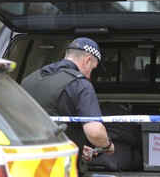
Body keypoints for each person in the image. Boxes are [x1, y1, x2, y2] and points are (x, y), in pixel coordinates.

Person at [21, 37, 115, 166]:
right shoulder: (81, 84)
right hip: (59, 166)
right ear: (87, 61)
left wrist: (77, 146)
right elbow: (95, 132)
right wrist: (107, 145)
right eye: (92, 69)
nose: (89, 76)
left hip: (23, 161)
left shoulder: (28, 80)